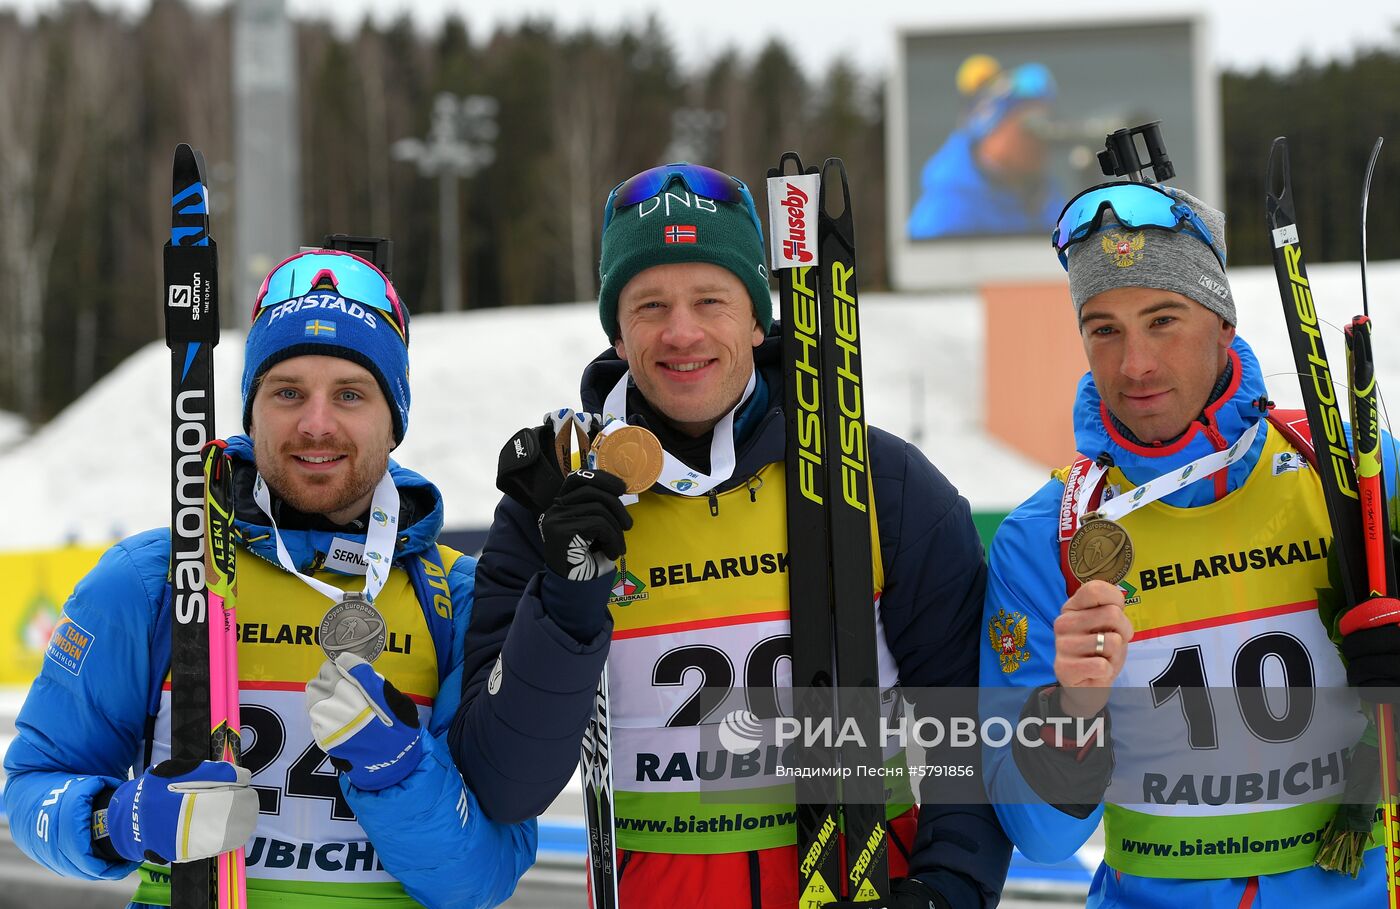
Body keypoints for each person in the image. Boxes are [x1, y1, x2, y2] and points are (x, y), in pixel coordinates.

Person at [449, 163, 1011, 908]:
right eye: (649, 304)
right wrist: (565, 606)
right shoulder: (554, 504)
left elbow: (970, 727)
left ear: (756, 318)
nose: (681, 332)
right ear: (618, 330)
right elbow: (503, 782)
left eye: (710, 299)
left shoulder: (883, 484)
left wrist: (946, 891)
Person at [2, 249, 535, 908]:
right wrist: (119, 820)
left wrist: (399, 770)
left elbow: (482, 880)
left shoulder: (457, 600)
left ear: (394, 418)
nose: (317, 423)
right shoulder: (151, 582)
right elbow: (32, 788)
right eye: (287, 392)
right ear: (251, 412)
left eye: (350, 393)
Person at [980, 180, 1400, 905]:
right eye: (1103, 328)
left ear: (1222, 324)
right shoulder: (1048, 535)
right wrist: (1072, 710)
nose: (1135, 364)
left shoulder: (1347, 467)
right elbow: (1039, 837)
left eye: (1163, 319)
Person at [907, 57, 1063, 240]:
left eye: (1049, 122)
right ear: (992, 128)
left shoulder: (1042, 196)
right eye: (1031, 125)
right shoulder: (947, 211)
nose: (1041, 139)